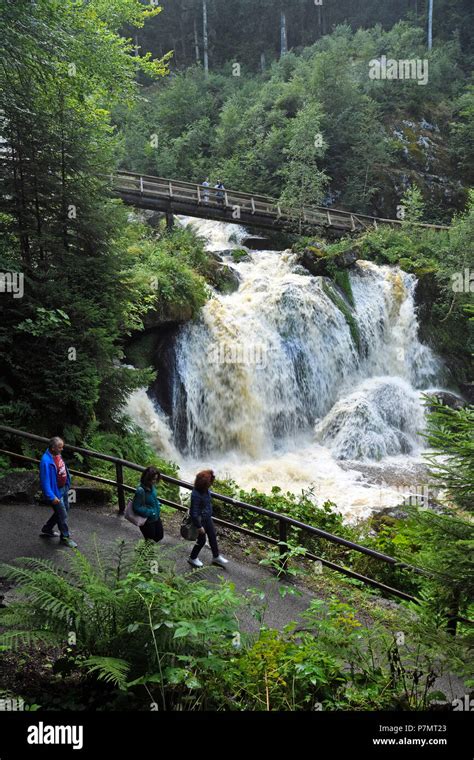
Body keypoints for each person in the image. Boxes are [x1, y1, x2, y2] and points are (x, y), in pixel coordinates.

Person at [39, 436, 77, 548]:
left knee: (66, 508)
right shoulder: (45, 461)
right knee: (63, 514)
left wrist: (67, 481)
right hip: (55, 492)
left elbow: (63, 467)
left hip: (63, 488)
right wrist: (51, 496)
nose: (62, 449)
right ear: (53, 448)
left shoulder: (57, 454)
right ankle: (65, 537)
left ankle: (47, 529)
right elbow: (45, 481)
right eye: (60, 447)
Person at [188, 469, 228, 568]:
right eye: (210, 483)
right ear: (203, 484)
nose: (211, 484)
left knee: (212, 536)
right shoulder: (196, 494)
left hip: (207, 517)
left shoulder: (205, 490)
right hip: (200, 521)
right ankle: (192, 558)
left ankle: (216, 556)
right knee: (201, 541)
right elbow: (194, 512)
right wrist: (199, 526)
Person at [132, 466, 163, 542]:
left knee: (159, 536)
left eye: (156, 479)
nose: (154, 481)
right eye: (153, 479)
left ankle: (145, 551)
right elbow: (136, 507)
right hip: (147, 521)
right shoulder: (140, 491)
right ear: (147, 478)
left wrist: (157, 503)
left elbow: (153, 498)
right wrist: (150, 512)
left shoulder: (151, 487)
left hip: (156, 517)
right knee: (149, 540)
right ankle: (144, 552)